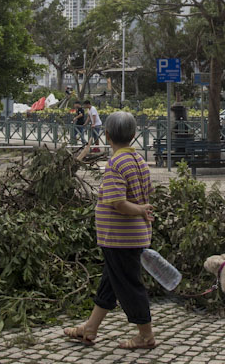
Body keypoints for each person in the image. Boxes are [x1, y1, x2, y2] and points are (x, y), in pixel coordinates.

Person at [63, 111, 157, 350]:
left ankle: (145, 335)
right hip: (132, 236)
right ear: (134, 136)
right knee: (110, 281)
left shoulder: (115, 163)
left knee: (128, 285)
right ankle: (90, 329)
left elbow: (118, 203)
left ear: (106, 135)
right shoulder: (140, 161)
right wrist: (142, 208)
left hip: (120, 238)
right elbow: (147, 193)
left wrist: (138, 209)